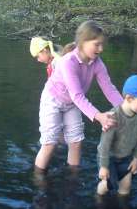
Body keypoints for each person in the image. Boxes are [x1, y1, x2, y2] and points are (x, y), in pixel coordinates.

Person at [34, 20, 123, 171]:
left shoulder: (97, 63)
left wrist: (125, 110)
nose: (101, 49)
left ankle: (72, 178)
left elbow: (109, 89)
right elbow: (77, 95)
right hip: (52, 100)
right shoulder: (68, 62)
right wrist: (99, 116)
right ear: (83, 42)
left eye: (102, 44)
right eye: (97, 44)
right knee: (49, 143)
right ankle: (38, 179)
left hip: (72, 104)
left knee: (76, 142)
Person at [96, 74, 137, 196]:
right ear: (129, 98)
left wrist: (136, 158)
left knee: (126, 187)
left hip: (126, 157)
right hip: (109, 158)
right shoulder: (113, 117)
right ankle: (98, 198)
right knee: (108, 185)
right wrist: (104, 166)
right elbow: (104, 146)